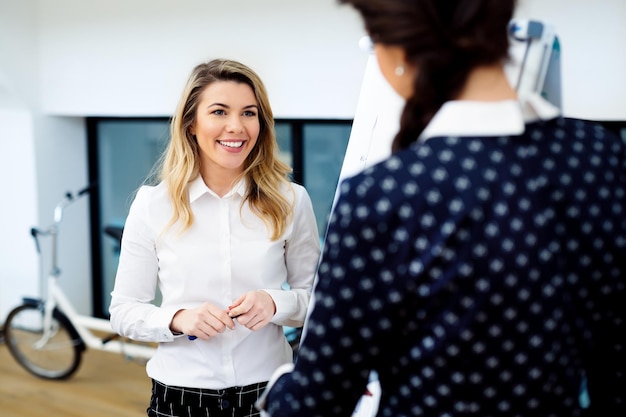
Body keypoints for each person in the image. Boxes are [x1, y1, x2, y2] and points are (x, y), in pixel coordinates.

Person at [257, 0, 626, 416]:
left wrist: (278, 386)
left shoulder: (380, 196)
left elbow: (318, 401)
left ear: (397, 53)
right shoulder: (600, 158)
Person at [109, 58, 321, 417]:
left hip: (269, 395)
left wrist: (274, 304)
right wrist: (177, 319)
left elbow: (318, 302)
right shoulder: (152, 205)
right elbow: (124, 312)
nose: (236, 127)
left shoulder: (292, 201)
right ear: (191, 123)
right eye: (220, 112)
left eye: (249, 113)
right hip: (179, 401)